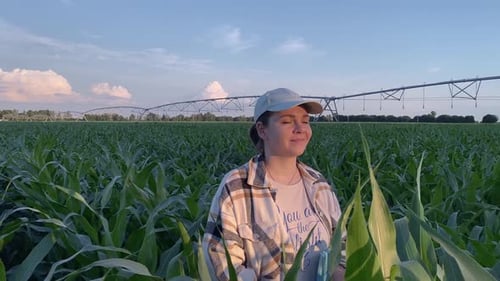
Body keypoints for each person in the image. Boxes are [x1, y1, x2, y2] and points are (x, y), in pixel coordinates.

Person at [202, 88, 345, 281]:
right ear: (262, 130)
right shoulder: (237, 187)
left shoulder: (318, 183)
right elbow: (222, 265)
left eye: (305, 121)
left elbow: (341, 245)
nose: (300, 128)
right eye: (287, 121)